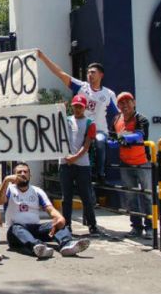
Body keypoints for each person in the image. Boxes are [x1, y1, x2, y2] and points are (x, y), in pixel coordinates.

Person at [38, 50, 118, 182]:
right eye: (88, 72)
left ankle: (100, 173)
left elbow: (118, 115)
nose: (90, 75)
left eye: (93, 72)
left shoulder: (109, 94)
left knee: (98, 143)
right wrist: (42, 57)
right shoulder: (82, 87)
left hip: (98, 130)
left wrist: (119, 133)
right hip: (80, 129)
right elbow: (60, 73)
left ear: (101, 75)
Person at [0, 162, 90, 258]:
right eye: (19, 172)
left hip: (35, 229)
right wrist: (6, 181)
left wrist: (60, 218)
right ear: (14, 176)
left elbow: (50, 209)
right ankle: (37, 246)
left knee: (56, 224)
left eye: (26, 172)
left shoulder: (37, 191)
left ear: (30, 175)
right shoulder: (9, 189)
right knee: (16, 227)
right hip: (16, 233)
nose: (23, 174)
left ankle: (67, 245)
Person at [110, 91, 152, 239]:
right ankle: (136, 227)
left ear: (134, 103)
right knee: (131, 196)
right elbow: (112, 138)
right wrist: (111, 141)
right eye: (122, 102)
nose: (125, 104)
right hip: (125, 163)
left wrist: (124, 138)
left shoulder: (142, 119)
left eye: (128, 101)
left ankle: (151, 228)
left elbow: (140, 135)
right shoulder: (116, 119)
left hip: (143, 162)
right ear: (118, 106)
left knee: (148, 196)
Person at [60, 95, 100, 236]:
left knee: (86, 196)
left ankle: (92, 225)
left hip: (82, 164)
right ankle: (67, 224)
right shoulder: (65, 120)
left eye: (80, 106)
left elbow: (87, 145)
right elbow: (56, 137)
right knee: (66, 197)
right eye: (75, 106)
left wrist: (75, 157)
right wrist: (66, 157)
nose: (77, 109)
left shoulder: (90, 123)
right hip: (65, 163)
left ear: (84, 107)